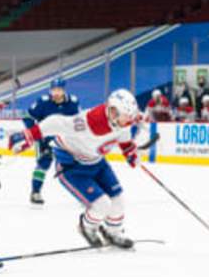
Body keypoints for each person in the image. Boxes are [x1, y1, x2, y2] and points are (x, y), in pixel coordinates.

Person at [9, 89, 140, 249]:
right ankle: (87, 227)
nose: (128, 121)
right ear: (113, 111)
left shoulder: (122, 122)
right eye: (126, 116)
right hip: (73, 168)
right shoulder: (87, 122)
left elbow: (124, 140)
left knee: (118, 200)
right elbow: (55, 122)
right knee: (102, 205)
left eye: (130, 117)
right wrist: (29, 135)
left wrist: (129, 151)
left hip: (97, 163)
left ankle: (114, 232)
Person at [23, 78, 80, 205]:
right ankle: (35, 192)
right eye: (53, 90)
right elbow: (27, 116)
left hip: (65, 141)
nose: (56, 93)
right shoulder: (43, 102)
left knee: (75, 166)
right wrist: (35, 134)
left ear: (64, 90)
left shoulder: (73, 102)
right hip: (44, 140)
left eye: (59, 90)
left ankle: (82, 194)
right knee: (43, 163)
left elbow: (78, 122)